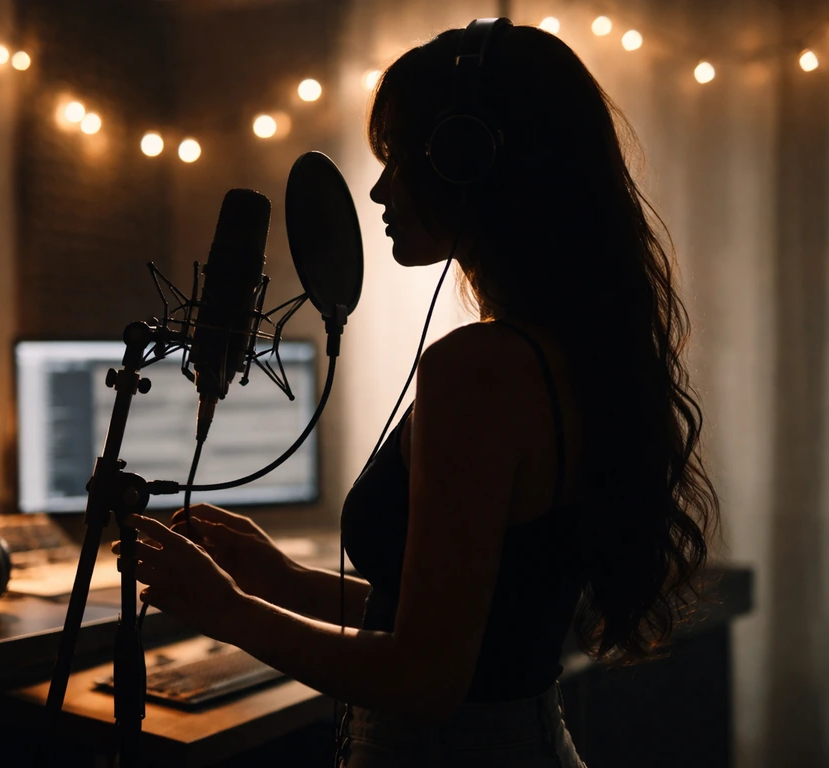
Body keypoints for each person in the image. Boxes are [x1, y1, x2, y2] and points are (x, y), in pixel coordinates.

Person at [114, 18, 720, 768]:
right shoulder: (558, 350)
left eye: (398, 156)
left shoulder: (480, 370)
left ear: (469, 159)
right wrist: (279, 579)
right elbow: (464, 621)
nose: (376, 187)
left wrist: (227, 611)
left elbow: (427, 679)